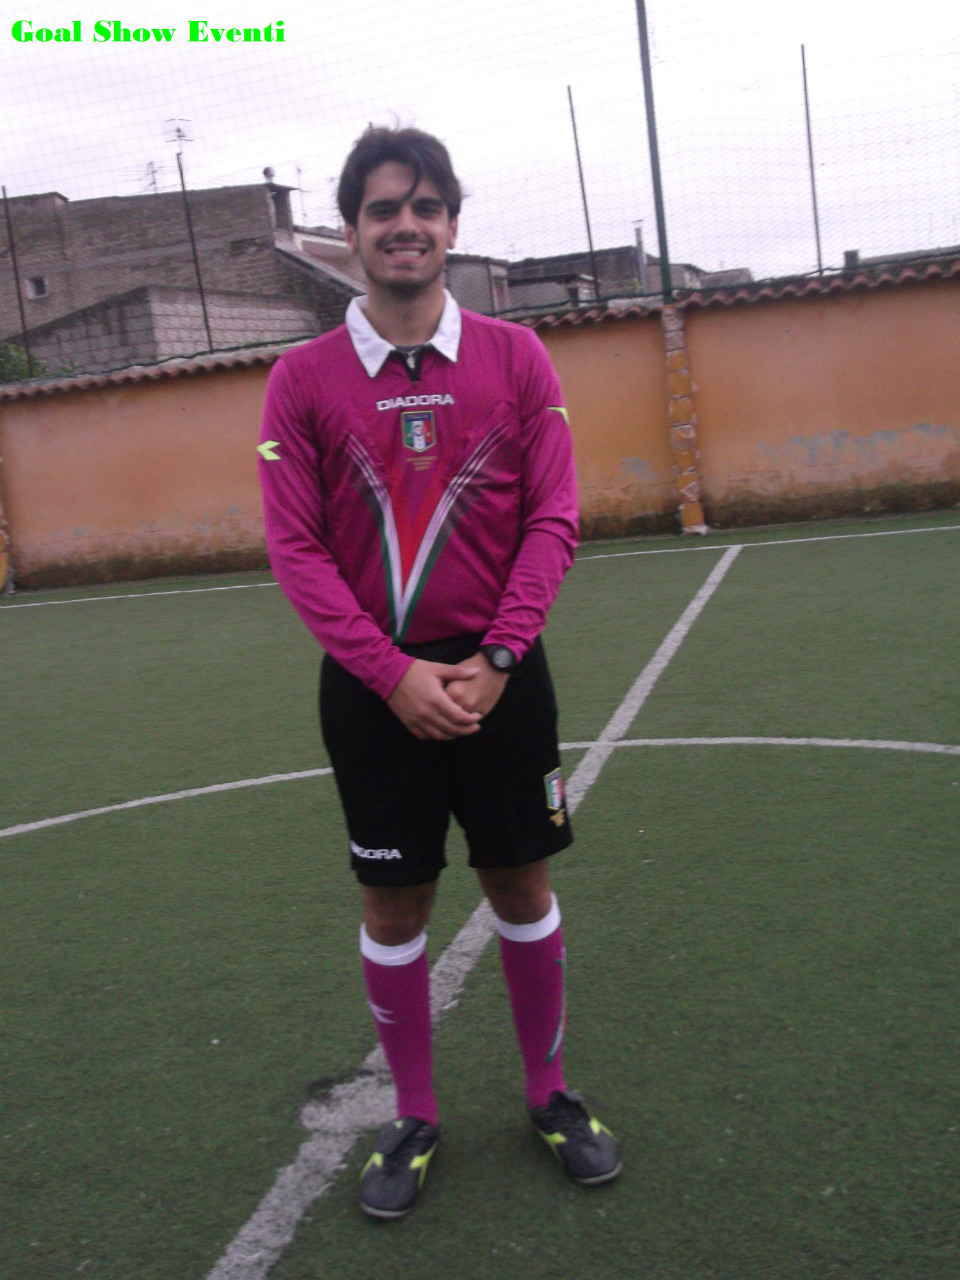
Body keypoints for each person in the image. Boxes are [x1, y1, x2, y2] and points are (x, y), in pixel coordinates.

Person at [258, 124, 621, 1220]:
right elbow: (296, 549)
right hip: (374, 693)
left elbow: (554, 516)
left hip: (503, 676)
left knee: (521, 883)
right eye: (383, 208)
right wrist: (390, 673)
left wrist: (500, 655)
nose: (405, 225)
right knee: (394, 899)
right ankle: (413, 1114)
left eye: (424, 206)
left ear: (453, 226)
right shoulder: (300, 379)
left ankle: (551, 1094)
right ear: (352, 232)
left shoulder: (517, 357)